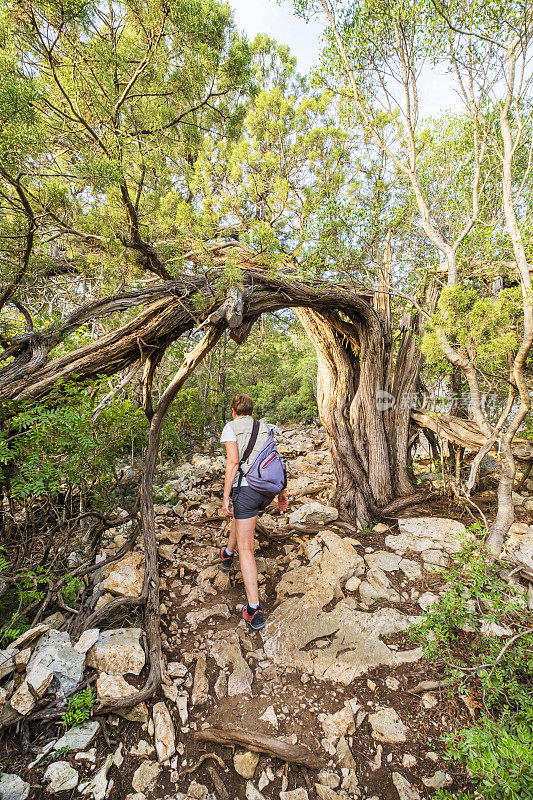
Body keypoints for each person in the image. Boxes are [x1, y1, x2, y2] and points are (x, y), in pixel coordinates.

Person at [219, 394, 288, 630]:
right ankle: (227, 554)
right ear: (251, 410)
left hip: (246, 491)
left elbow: (233, 463)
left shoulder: (230, 427)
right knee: (241, 520)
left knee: (246, 549)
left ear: (233, 411)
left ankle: (253, 609)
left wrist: (225, 496)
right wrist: (282, 492)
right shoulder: (265, 427)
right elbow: (275, 458)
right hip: (266, 490)